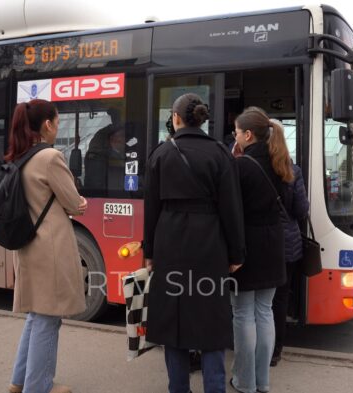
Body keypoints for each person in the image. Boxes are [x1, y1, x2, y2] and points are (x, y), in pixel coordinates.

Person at [144, 93, 245, 393]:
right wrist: (237, 252)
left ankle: (179, 388)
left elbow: (151, 210)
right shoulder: (220, 153)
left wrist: (150, 252)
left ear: (176, 118)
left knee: (172, 324)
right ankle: (215, 388)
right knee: (211, 321)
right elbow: (232, 208)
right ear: (202, 119)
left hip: (169, 243)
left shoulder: (161, 154)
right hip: (210, 244)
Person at [6, 99, 88, 393]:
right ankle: (38, 386)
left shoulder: (21, 155)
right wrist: (82, 203)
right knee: (47, 319)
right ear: (47, 124)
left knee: (35, 315)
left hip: (28, 245)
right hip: (49, 247)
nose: (58, 127)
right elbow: (74, 203)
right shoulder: (50, 157)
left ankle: (19, 381)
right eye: (57, 121)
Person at [229, 108, 293, 393]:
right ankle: (262, 382)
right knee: (265, 312)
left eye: (236, 131)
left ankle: (245, 382)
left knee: (243, 314)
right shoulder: (282, 163)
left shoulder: (241, 166)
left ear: (247, 134)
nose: (234, 135)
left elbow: (232, 208)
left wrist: (233, 161)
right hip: (274, 244)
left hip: (249, 245)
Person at [270, 123, 309, 367]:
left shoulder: (250, 169)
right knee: (280, 300)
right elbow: (301, 209)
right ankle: (275, 351)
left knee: (257, 303)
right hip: (288, 246)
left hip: (260, 247)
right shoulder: (292, 171)